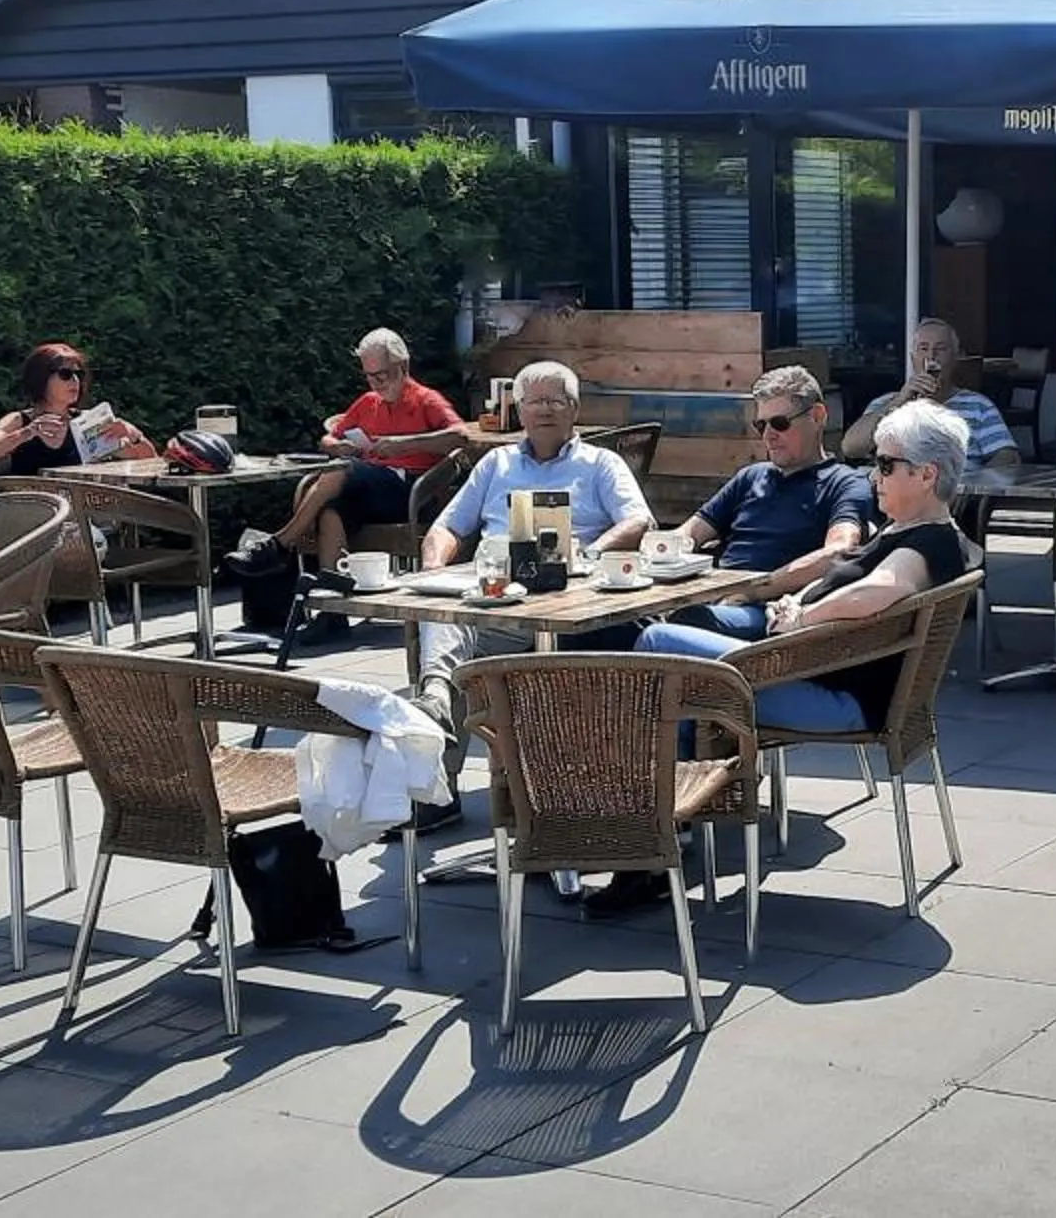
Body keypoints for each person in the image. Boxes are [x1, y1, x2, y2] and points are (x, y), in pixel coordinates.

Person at [614, 397, 983, 913]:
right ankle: (664, 823)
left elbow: (874, 592)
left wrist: (803, 617)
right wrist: (800, 600)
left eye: (883, 464)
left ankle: (648, 834)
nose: (872, 475)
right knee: (675, 654)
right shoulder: (915, 533)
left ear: (926, 474)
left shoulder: (926, 545)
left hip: (832, 697)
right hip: (819, 675)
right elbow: (857, 587)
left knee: (658, 646)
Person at [406, 359, 651, 822]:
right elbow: (446, 528)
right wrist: (433, 572)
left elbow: (639, 521)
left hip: (569, 606)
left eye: (555, 400)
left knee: (453, 637)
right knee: (444, 617)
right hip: (498, 598)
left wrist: (589, 553)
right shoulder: (496, 463)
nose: (544, 410)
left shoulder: (600, 463)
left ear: (574, 408)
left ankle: (437, 728)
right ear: (518, 408)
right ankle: (436, 763)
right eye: (534, 401)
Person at [277, 329, 464, 641]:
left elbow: (461, 436)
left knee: (343, 471)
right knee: (333, 511)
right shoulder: (368, 402)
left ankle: (282, 541)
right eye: (370, 377)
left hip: (411, 490)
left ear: (403, 367)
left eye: (383, 375)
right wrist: (336, 446)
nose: (377, 384)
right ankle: (332, 613)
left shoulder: (426, 400)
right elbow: (329, 436)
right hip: (372, 485)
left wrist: (404, 445)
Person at [663, 365, 875, 640]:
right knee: (615, 630)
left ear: (817, 416)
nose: (768, 436)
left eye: (779, 423)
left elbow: (839, 551)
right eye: (761, 425)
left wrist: (751, 590)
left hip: (772, 614)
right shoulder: (751, 477)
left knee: (685, 621)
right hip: (715, 599)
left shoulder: (843, 483)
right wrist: (656, 552)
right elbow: (689, 534)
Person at [841, 317, 1021, 470]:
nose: (931, 357)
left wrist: (971, 483)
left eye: (941, 349)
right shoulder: (887, 403)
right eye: (924, 349)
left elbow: (1008, 457)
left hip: (958, 503)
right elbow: (850, 448)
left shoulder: (978, 405)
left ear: (955, 358)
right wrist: (901, 400)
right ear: (913, 359)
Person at [0, 342, 153, 482]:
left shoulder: (87, 423)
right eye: (66, 374)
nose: (75, 382)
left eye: (79, 375)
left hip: (78, 513)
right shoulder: (20, 421)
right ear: (41, 378)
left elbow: (148, 462)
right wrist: (27, 433)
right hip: (30, 516)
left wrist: (133, 435)